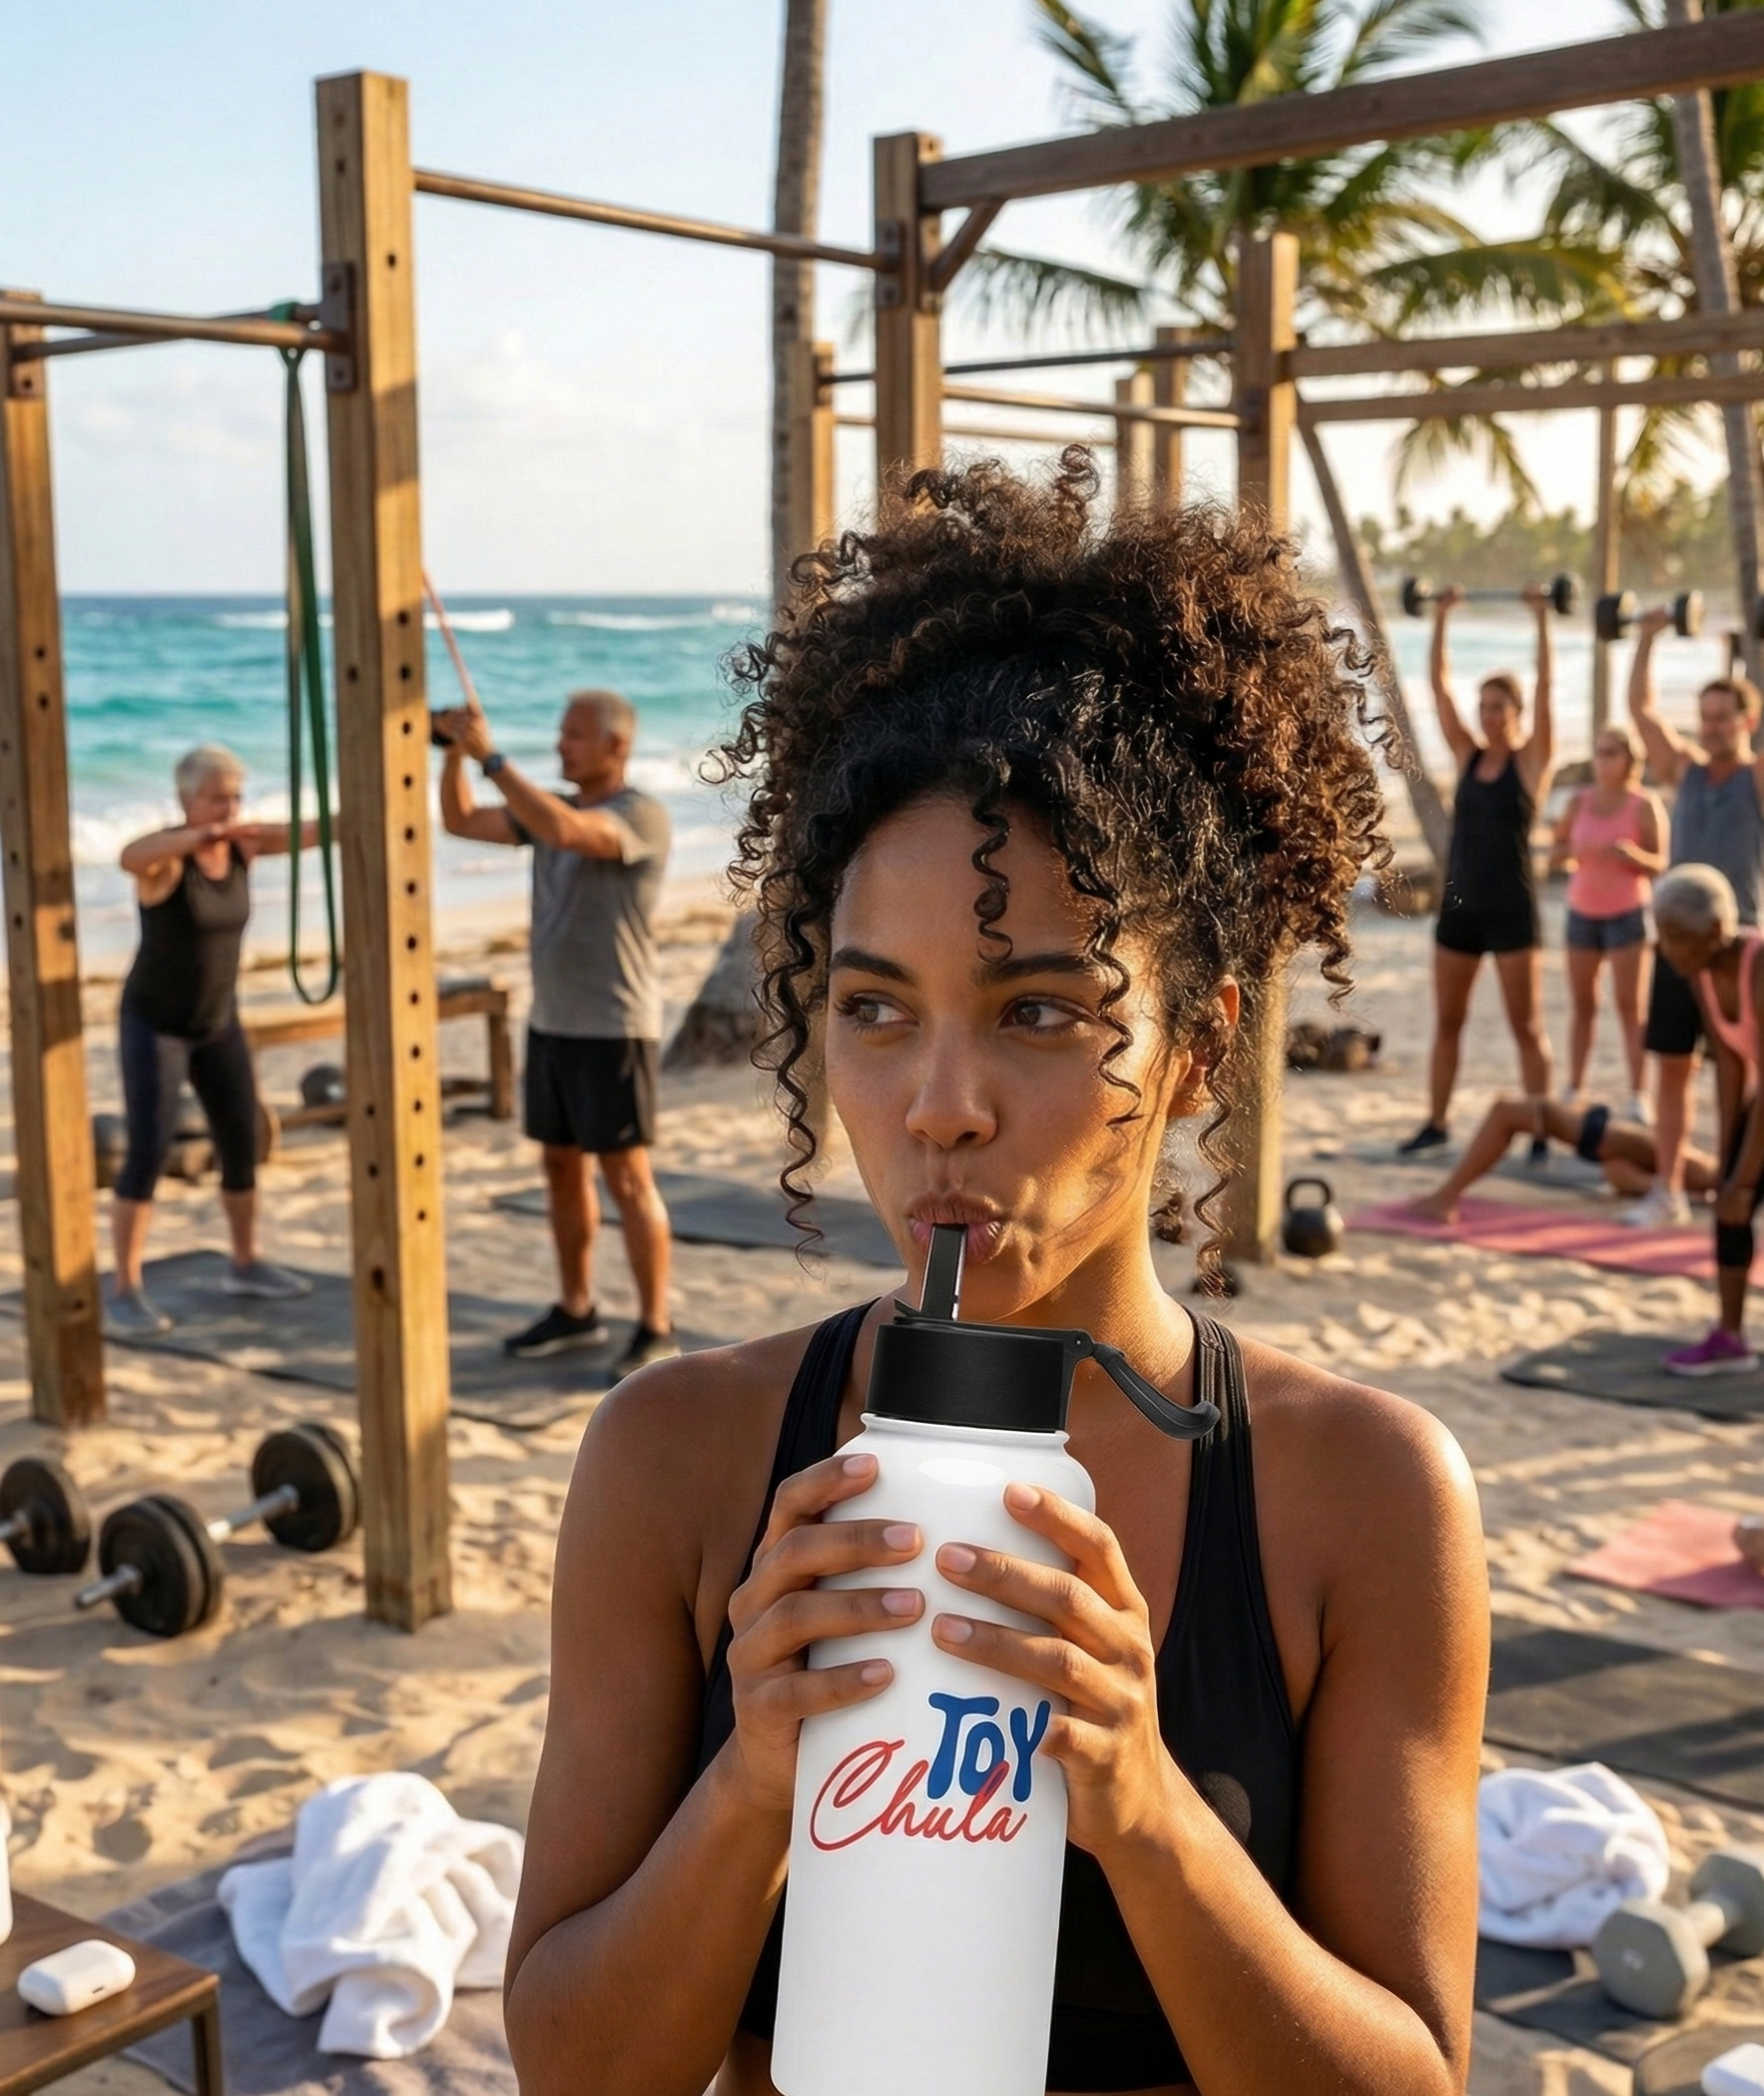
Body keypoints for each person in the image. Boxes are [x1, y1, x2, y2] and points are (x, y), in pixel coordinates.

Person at [504, 457, 1486, 2096]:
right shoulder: (675, 1456)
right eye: (875, 1007)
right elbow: (573, 2065)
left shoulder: (1361, 1494)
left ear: (1197, 1047)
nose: (936, 1100)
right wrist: (757, 1772)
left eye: (1038, 1007)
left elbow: (1408, 2077)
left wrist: (1145, 1801)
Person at [436, 686, 677, 1378]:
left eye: (574, 734)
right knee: (559, 1169)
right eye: (559, 730)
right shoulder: (549, 810)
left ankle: (655, 1324)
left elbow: (574, 835)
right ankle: (577, 1308)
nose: (560, 744)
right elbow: (458, 820)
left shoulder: (641, 815)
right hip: (552, 1025)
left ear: (616, 747)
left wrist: (492, 757)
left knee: (626, 1178)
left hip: (613, 1027)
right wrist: (456, 752)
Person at [108, 745, 313, 1337]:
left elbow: (309, 834)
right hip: (155, 1023)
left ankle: (245, 1263)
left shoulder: (242, 847)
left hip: (218, 1020)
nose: (228, 808)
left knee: (242, 1138)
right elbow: (129, 854)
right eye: (216, 797)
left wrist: (237, 828)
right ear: (186, 801)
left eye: (235, 796)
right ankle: (124, 1287)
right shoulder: (168, 865)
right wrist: (196, 835)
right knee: (148, 1149)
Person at [1401, 584, 1555, 1157]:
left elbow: (1548, 692)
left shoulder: (1532, 761)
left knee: (1527, 1028)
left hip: (1514, 910)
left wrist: (1540, 618)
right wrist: (1441, 616)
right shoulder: (1467, 756)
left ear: (1515, 714)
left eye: (1499, 707)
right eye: (1484, 706)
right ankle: (1437, 1124)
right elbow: (1439, 688)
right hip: (1461, 907)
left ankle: (1542, 1129)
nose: (1488, 716)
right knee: (1448, 1023)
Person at [1624, 615, 1764, 1228]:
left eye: (1722, 717)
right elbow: (1640, 708)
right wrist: (1650, 634)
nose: (1710, 726)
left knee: (1738, 1076)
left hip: (1737, 950)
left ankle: (1740, 1188)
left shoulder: (1757, 778)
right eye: (1704, 716)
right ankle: (1670, 1190)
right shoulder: (1683, 771)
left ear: (1747, 722)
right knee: (1672, 1068)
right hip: (1676, 944)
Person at [1647, 866, 1764, 1375]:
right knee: (1730, 1208)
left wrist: (1744, 1177)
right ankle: (1730, 1338)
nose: (1667, 950)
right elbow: (1731, 1067)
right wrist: (1727, 1160)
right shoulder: (1701, 976)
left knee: (1741, 1193)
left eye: (1675, 938)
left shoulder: (1758, 968)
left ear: (1715, 931)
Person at [1547, 723, 1665, 1121]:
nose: (1603, 760)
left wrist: (1632, 855)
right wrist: (1567, 853)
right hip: (1582, 912)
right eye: (1599, 752)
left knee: (1630, 1008)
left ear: (1630, 759)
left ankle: (1638, 1093)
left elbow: (1661, 863)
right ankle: (1575, 1086)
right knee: (1584, 1007)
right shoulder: (1578, 801)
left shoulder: (1643, 804)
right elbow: (1555, 852)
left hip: (1626, 914)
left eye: (1612, 752)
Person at [1408, 1094, 1717, 1224]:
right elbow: (1620, 1174)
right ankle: (1445, 1197)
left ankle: (1445, 1198)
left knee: (1506, 1111)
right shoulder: (1631, 1174)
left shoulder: (1705, 1170)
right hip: (1609, 1141)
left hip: (1605, 1135)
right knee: (1620, 1170)